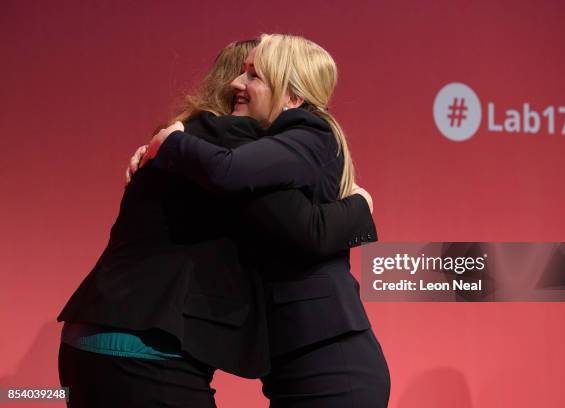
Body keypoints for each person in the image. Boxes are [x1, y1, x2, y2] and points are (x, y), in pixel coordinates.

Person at [57, 39, 377, 408]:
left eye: (255, 74)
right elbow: (310, 230)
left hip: (83, 342)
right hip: (148, 356)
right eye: (244, 73)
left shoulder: (185, 139)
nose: (240, 84)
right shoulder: (233, 141)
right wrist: (362, 204)